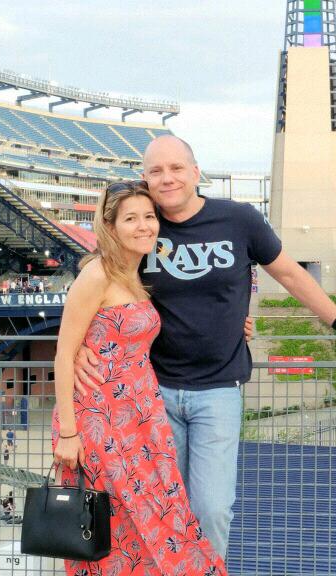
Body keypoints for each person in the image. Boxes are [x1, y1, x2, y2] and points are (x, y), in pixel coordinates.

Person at [74, 136, 336, 558]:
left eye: (176, 168)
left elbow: (292, 275)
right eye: (156, 171)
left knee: (211, 507)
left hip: (218, 389)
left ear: (196, 172)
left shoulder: (237, 219)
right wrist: (78, 345)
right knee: (157, 509)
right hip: (151, 392)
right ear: (144, 178)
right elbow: (95, 282)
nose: (167, 178)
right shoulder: (141, 224)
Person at [52, 180, 227, 575]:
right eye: (131, 218)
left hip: (142, 420)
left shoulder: (137, 271)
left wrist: (239, 325)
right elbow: (64, 353)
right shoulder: (97, 274)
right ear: (110, 226)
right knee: (114, 530)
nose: (144, 226)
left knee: (162, 519)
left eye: (149, 216)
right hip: (100, 421)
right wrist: (68, 432)